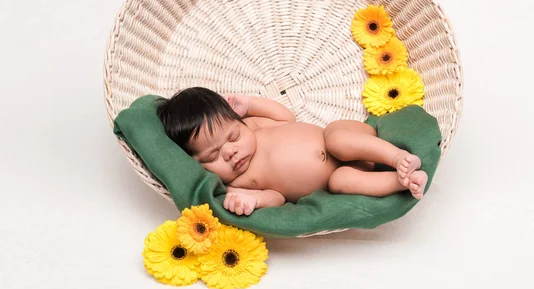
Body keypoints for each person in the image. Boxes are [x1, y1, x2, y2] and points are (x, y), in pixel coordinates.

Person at [156, 87, 428, 216]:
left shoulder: (254, 125)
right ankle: (404, 181)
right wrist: (251, 201)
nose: (230, 152)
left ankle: (397, 157)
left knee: (337, 140)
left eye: (234, 136)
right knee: (341, 181)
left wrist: (251, 104)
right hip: (342, 175)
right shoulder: (237, 183)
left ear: (238, 121)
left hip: (347, 138)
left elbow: (287, 117)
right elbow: (276, 198)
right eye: (212, 157)